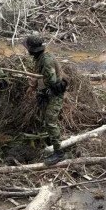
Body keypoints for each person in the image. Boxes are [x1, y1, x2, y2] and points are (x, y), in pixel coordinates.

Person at [24, 34, 67, 166]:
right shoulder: (39, 58)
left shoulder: (46, 61)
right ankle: (51, 141)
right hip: (47, 93)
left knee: (50, 121)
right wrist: (33, 86)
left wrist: (42, 90)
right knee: (45, 118)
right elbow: (39, 77)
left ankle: (59, 153)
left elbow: (52, 82)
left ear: (32, 49)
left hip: (54, 94)